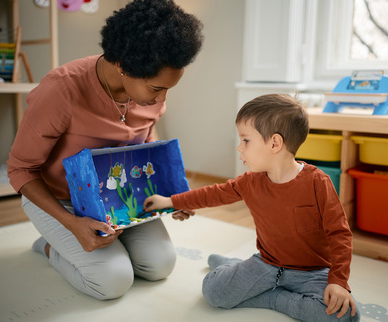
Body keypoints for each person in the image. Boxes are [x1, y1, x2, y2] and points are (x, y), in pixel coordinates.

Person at [7, 0, 203, 300]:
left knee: (160, 265)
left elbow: (146, 143)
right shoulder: (61, 90)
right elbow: (20, 170)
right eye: (156, 89)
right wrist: (72, 224)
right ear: (123, 65)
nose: (162, 99)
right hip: (62, 201)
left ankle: (89, 247)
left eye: (168, 89)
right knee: (113, 281)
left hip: (120, 198)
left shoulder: (152, 96)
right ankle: (49, 246)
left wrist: (172, 195)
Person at [144, 94, 360, 321]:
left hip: (312, 272)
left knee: (346, 317)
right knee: (213, 292)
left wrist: (338, 281)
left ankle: (269, 296)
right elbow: (214, 194)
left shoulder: (318, 182)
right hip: (266, 265)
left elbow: (340, 234)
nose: (239, 147)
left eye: (246, 140)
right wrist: (170, 201)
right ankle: (235, 269)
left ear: (275, 143)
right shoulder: (251, 181)